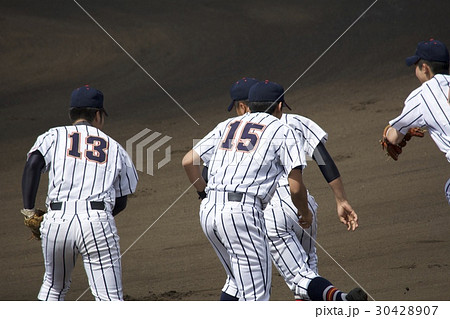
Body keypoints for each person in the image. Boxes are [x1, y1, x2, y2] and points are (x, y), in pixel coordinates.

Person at [183, 80, 366, 301]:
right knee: (285, 282)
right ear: (279, 106)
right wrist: (314, 208)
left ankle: (339, 300)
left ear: (245, 105)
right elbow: (300, 181)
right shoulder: (285, 127)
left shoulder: (228, 125)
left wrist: (204, 195)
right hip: (258, 208)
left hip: (211, 210)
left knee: (235, 281)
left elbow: (189, 162)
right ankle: (340, 300)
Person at [21, 85, 138, 301]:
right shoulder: (115, 147)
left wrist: (29, 211)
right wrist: (96, 221)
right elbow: (121, 201)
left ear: (71, 114)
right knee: (109, 299)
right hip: (96, 220)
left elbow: (32, 165)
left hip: (56, 220)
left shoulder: (53, 135)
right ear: (97, 115)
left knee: (53, 288)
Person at [383, 39, 450, 204]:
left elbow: (393, 138)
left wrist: (387, 133)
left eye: (416, 66)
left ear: (425, 68)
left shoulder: (421, 96)